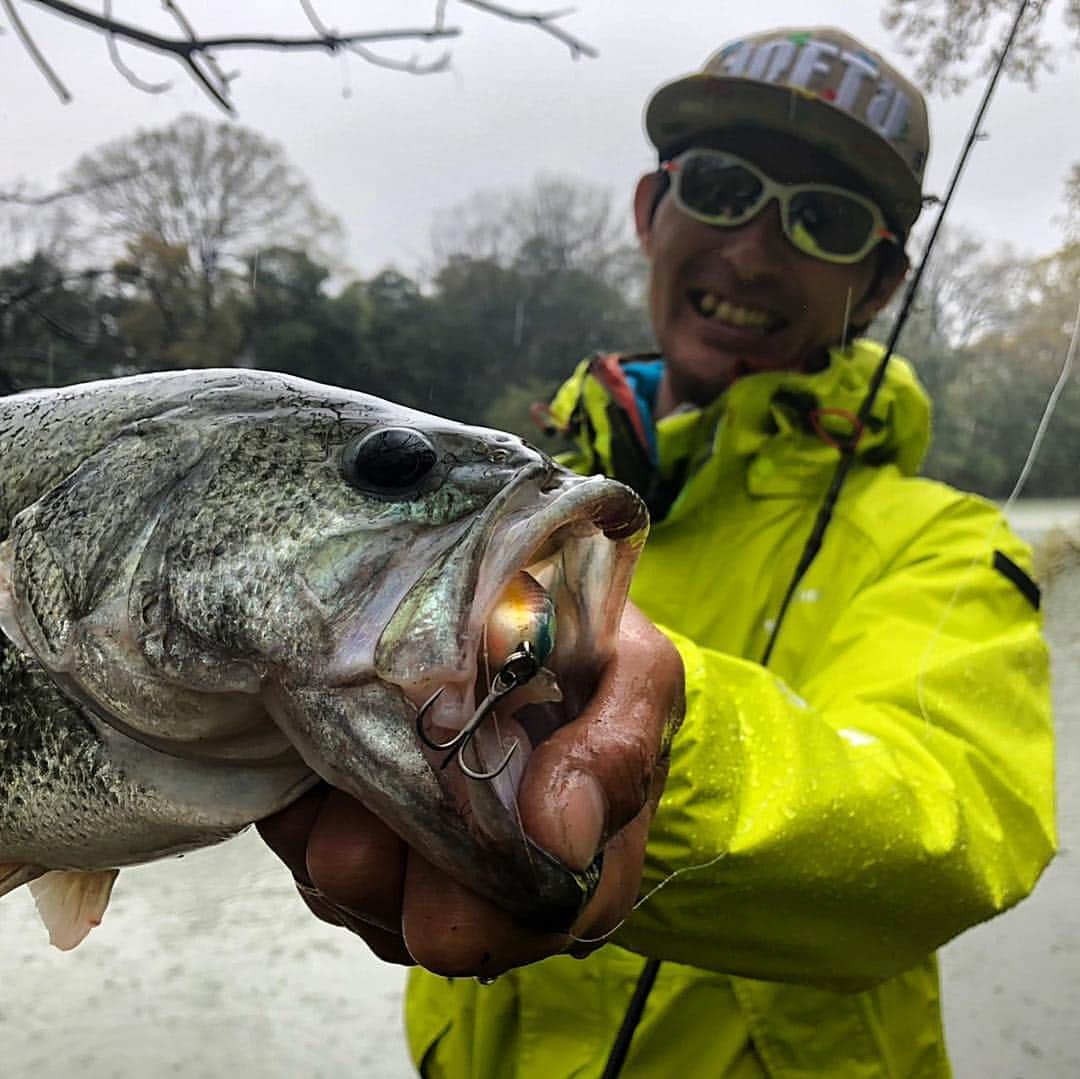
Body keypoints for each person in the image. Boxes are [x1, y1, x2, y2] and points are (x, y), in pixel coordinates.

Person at [258, 26, 1056, 1077]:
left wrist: (632, 754)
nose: (756, 252)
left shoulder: (948, 547)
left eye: (822, 220)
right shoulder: (492, 508)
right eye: (723, 188)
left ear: (882, 281)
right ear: (650, 210)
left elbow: (946, 826)